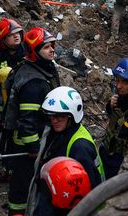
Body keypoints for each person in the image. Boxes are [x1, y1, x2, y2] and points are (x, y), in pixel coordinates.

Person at [0, 27, 60, 216]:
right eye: (46, 47)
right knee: (23, 182)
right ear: (34, 53)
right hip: (26, 144)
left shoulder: (36, 67)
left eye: (52, 46)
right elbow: (27, 121)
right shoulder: (34, 82)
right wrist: (33, 148)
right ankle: (17, 211)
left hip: (31, 139)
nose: (52, 50)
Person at [32, 86, 105, 216]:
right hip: (54, 194)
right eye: (51, 115)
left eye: (59, 116)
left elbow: (86, 192)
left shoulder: (80, 147)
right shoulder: (59, 131)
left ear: (72, 116)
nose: (54, 120)